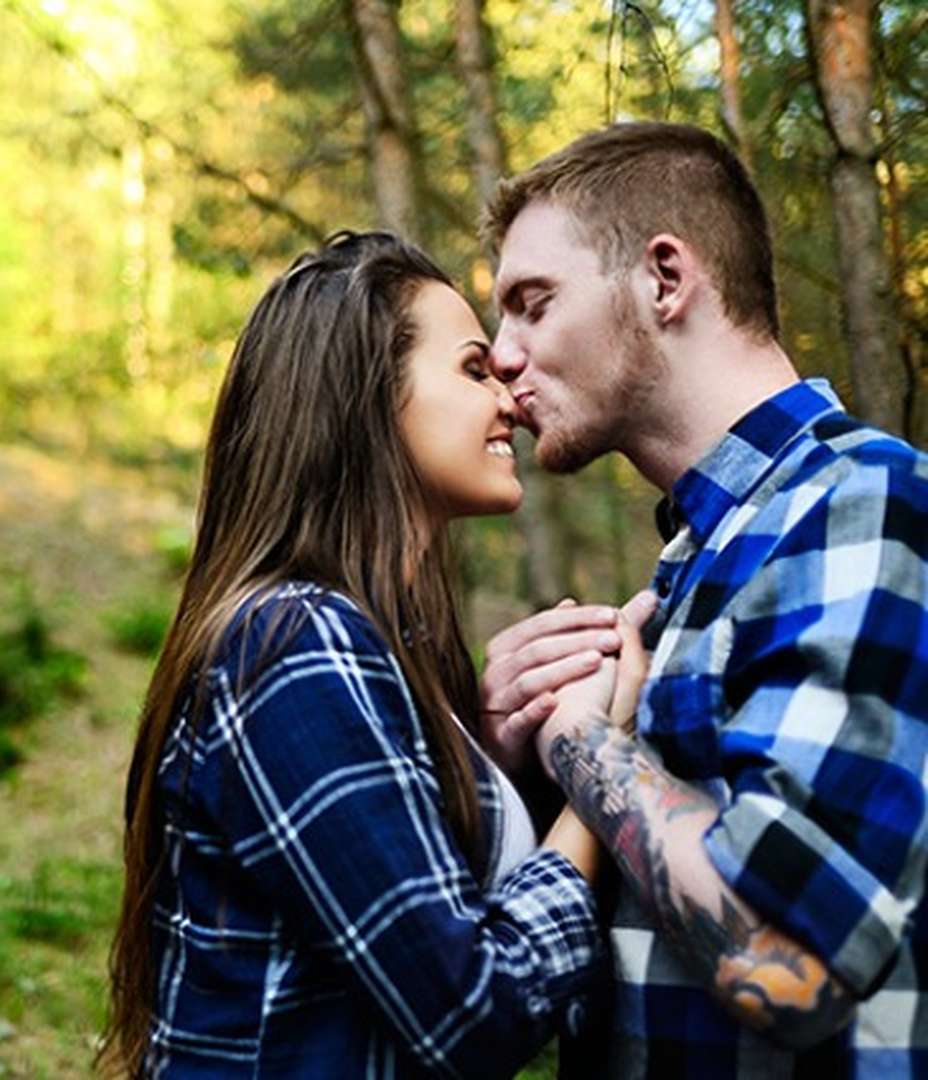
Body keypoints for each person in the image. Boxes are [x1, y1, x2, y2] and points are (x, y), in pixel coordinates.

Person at [100, 231, 645, 1077]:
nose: (509, 396)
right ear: (367, 398)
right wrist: (599, 774)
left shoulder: (358, 645)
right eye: (473, 369)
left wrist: (487, 764)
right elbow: (472, 1012)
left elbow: (401, 917)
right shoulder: (298, 644)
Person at [478, 121, 928, 1077]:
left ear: (665, 280)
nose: (502, 356)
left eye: (532, 304)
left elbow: (797, 959)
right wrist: (512, 761)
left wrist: (580, 742)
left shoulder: (863, 499)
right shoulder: (706, 554)